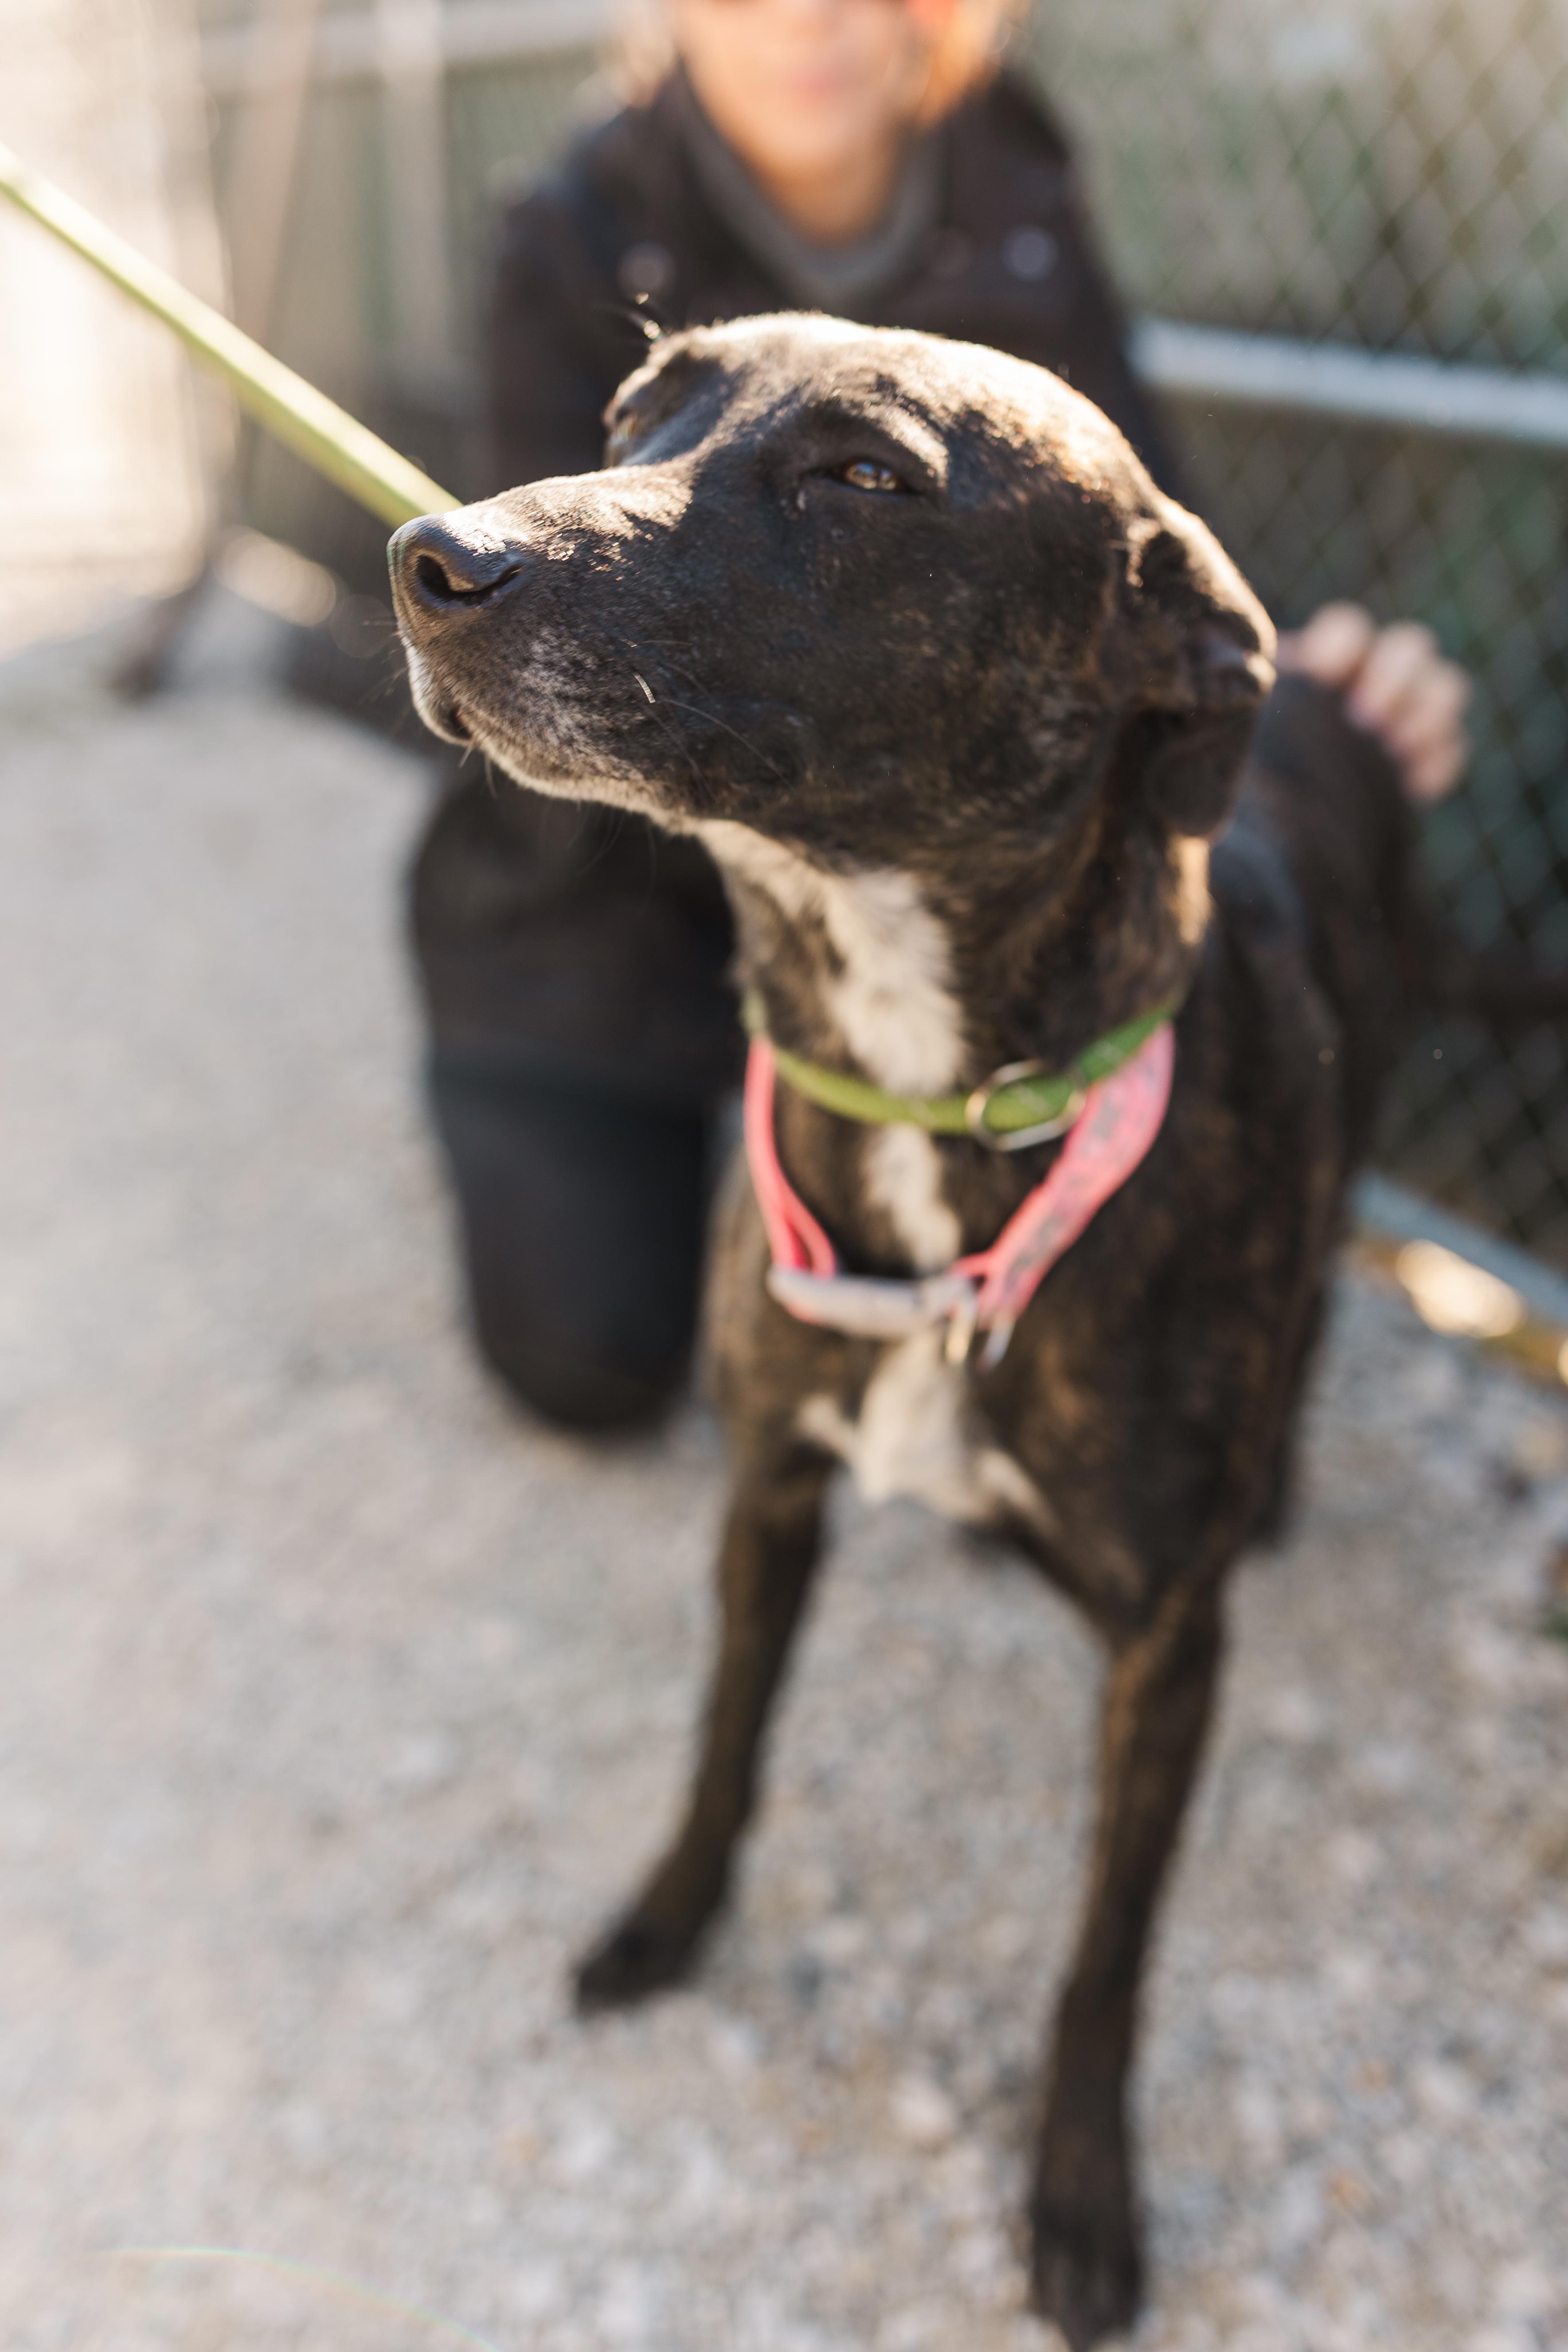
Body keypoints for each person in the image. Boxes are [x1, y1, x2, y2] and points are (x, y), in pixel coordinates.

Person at [408, 0, 1470, 1432]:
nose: (804, 15)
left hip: (923, 878)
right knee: (589, 1357)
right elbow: (561, 630)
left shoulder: (1016, 199)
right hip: (602, 890)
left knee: (1045, 1400)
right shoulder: (573, 226)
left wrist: (1300, 684)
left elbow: (1124, 556)